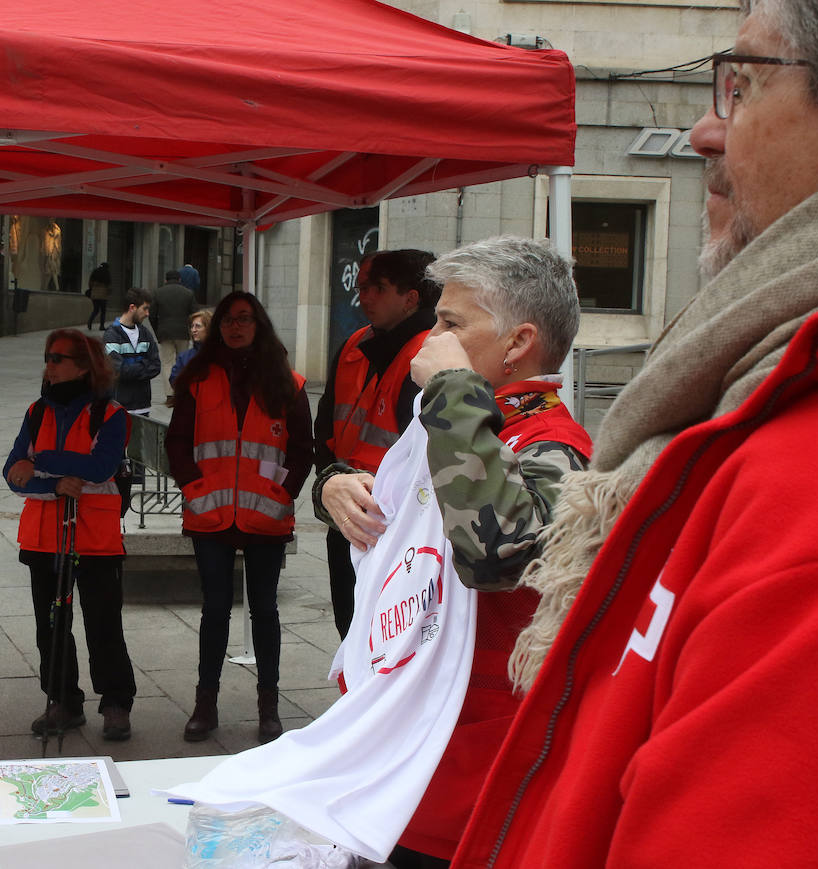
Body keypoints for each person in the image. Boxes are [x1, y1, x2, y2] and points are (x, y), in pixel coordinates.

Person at [450, 2, 818, 867]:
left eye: (741, 83)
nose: (702, 131)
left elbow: (493, 544)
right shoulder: (755, 413)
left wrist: (446, 405)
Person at [315, 237, 591, 868]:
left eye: (451, 324)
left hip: (471, 777)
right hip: (410, 752)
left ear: (518, 343)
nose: (428, 341)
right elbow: (396, 492)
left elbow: (497, 550)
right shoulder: (462, 420)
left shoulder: (551, 442)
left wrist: (450, 391)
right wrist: (333, 483)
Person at [166, 292, 314, 744]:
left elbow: (302, 449)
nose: (235, 327)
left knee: (265, 611)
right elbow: (177, 443)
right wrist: (194, 487)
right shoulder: (196, 378)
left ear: (259, 324)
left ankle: (268, 706)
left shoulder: (287, 382)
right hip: (209, 513)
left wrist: (281, 493)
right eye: (228, 320)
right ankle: (204, 704)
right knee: (214, 610)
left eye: (244, 319)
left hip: (265, 516)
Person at [4, 329, 137, 742]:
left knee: (103, 625)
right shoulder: (36, 412)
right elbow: (12, 473)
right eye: (48, 357)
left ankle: (115, 703)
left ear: (84, 365)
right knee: (51, 626)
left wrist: (39, 461)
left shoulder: (111, 415)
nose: (49, 366)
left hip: (95, 538)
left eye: (57, 358)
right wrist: (56, 482)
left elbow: (100, 467)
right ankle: (62, 700)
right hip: (43, 538)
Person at [314, 249, 440, 638]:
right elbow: (324, 427)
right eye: (361, 287)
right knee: (349, 628)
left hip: (398, 526)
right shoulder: (354, 344)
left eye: (377, 288)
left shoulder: (430, 352)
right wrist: (331, 485)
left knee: (387, 636)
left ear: (411, 297)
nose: (364, 297)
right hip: (348, 511)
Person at [104, 287, 161, 415]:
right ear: (132, 308)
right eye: (145, 308)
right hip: (119, 407)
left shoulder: (145, 334)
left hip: (143, 406)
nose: (148, 314)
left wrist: (130, 368)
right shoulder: (112, 335)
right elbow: (119, 370)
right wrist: (145, 364)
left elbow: (156, 366)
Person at [152, 268, 196, 394]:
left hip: (165, 332)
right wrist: (191, 329)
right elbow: (195, 313)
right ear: (180, 279)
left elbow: (152, 315)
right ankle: (182, 390)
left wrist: (157, 330)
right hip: (183, 332)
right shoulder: (188, 293)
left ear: (165, 280)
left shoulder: (158, 292)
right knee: (183, 361)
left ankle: (170, 393)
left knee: (167, 363)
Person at [170, 309, 211, 385]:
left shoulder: (221, 355)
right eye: (192, 326)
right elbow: (174, 379)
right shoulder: (184, 357)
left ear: (208, 328)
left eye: (198, 326)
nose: (193, 330)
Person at [86, 262, 112, 330]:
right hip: (103, 294)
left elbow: (90, 283)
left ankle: (90, 322)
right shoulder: (106, 273)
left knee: (96, 310)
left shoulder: (95, 272)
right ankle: (102, 326)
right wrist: (108, 292)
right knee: (103, 311)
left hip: (95, 293)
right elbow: (109, 285)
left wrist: (92, 289)